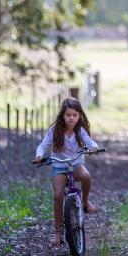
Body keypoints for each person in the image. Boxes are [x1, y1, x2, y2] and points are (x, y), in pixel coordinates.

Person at [34, 96, 99, 246]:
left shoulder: (80, 130)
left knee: (86, 176)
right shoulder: (55, 130)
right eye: (68, 115)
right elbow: (43, 145)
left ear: (79, 116)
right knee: (58, 196)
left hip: (76, 164)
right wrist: (39, 155)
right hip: (59, 165)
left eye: (75, 115)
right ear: (62, 115)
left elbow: (90, 142)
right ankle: (57, 233)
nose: (71, 118)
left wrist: (93, 148)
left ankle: (85, 201)